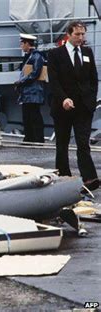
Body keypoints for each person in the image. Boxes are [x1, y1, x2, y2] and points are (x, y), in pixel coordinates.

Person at [48, 21, 99, 191]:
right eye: (77, 34)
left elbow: (93, 78)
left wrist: (91, 100)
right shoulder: (55, 54)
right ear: (68, 35)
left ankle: (90, 178)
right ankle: (64, 177)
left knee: (83, 143)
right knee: (62, 144)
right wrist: (63, 99)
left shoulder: (87, 52)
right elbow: (54, 81)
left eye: (83, 34)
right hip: (63, 107)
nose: (81, 37)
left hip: (84, 107)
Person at [15, 33, 46, 143]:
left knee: (34, 115)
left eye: (22, 43)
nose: (21, 46)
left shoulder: (36, 56)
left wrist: (21, 82)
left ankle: (38, 139)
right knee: (27, 115)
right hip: (28, 91)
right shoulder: (30, 56)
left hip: (33, 91)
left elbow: (35, 73)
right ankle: (29, 138)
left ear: (28, 44)